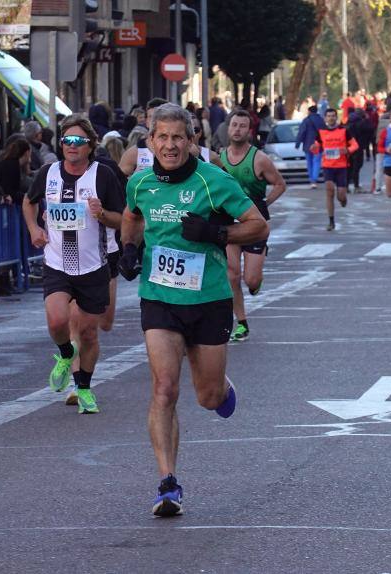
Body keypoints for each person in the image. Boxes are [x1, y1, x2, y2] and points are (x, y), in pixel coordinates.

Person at [118, 103, 268, 517]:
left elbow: (258, 225)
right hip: (160, 298)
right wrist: (129, 249)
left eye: (177, 137)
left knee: (207, 396)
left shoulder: (213, 181)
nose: (169, 145)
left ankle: (220, 386)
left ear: (191, 141)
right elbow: (131, 217)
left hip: (209, 299)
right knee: (164, 387)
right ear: (151, 141)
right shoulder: (140, 182)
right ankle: (168, 483)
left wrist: (217, 231)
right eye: (161, 137)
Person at [22, 114, 125, 414]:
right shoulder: (48, 172)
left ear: (91, 145)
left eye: (79, 141)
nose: (72, 146)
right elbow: (29, 202)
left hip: (94, 265)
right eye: (67, 140)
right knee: (57, 321)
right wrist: (34, 229)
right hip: (57, 263)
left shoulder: (102, 175)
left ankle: (84, 389)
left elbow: (122, 218)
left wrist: (102, 214)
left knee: (90, 332)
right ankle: (66, 354)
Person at [220, 110, 286, 342]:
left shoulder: (259, 159)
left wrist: (264, 205)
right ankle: (242, 322)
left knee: (251, 280)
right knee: (232, 275)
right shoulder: (220, 157)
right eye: (234, 125)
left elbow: (279, 184)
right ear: (228, 128)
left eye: (242, 126)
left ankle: (258, 270)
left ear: (249, 131)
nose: (237, 130)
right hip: (229, 224)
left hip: (254, 224)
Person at [310, 108, 358, 230]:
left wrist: (347, 150)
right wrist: (314, 147)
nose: (331, 118)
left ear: (336, 117)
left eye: (333, 116)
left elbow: (355, 145)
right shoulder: (321, 132)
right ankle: (331, 221)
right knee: (329, 191)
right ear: (325, 118)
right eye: (328, 116)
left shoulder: (344, 131)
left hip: (341, 166)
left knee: (340, 195)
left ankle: (343, 199)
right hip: (328, 166)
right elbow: (317, 147)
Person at [119, 98, 168, 176]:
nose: (154, 121)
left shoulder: (187, 149)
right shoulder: (133, 153)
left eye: (159, 117)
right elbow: (119, 183)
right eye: (151, 117)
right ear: (146, 121)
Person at [295, 105, 325, 189]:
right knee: (317, 162)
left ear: (309, 111)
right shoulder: (321, 120)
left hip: (308, 145)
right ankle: (314, 179)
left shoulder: (306, 120)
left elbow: (302, 132)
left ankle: (311, 179)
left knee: (309, 162)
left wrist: (297, 144)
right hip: (318, 145)